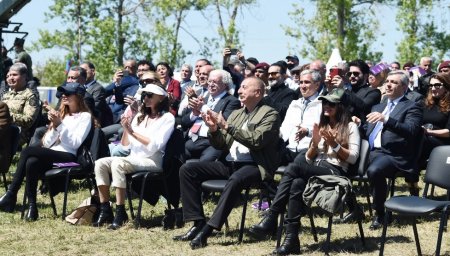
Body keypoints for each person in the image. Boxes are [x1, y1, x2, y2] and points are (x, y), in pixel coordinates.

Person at [250, 88, 361, 255]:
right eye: (325, 103)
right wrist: (315, 145)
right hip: (316, 169)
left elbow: (352, 158)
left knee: (293, 167)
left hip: (336, 173)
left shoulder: (350, 126)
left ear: (341, 107)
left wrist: (334, 144)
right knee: (296, 183)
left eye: (332, 103)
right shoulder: (322, 126)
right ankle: (291, 240)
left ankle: (272, 216)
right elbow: (309, 159)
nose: (327, 106)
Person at [173, 77, 281, 250]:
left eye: (245, 87)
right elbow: (222, 144)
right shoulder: (237, 113)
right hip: (231, 164)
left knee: (236, 179)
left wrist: (227, 127)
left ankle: (208, 230)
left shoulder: (270, 114)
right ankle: (198, 222)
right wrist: (214, 130)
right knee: (188, 168)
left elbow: (257, 141)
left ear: (258, 93)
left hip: (255, 166)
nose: (239, 90)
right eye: (241, 87)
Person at [0, 82, 92, 221]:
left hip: (69, 156)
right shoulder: (64, 115)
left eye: (68, 94)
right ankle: (32, 207)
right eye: (63, 94)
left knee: (27, 152)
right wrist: (54, 127)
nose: (64, 96)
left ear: (78, 97)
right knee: (32, 161)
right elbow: (47, 144)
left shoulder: (85, 117)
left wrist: (60, 125)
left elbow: (75, 143)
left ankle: (11, 194)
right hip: (53, 153)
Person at [92, 84, 174, 229]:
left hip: (153, 160)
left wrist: (132, 132)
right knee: (100, 163)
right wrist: (126, 128)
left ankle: (121, 211)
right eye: (144, 95)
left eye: (149, 95)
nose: (145, 98)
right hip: (133, 157)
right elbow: (125, 146)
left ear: (161, 98)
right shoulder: (140, 117)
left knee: (118, 163)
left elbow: (154, 146)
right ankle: (105, 209)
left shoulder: (167, 118)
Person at [364, 71, 423, 230]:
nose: (388, 84)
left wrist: (387, 119)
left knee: (375, 170)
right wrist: (357, 123)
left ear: (404, 87)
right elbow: (367, 129)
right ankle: (352, 208)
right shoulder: (378, 106)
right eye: (387, 81)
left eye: (394, 82)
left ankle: (380, 214)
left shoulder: (412, 106)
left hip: (394, 154)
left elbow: (411, 130)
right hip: (371, 152)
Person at [181, 69, 240, 161]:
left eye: (215, 82)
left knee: (201, 166)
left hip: (211, 143)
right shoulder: (203, 97)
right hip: (191, 140)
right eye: (209, 81)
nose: (210, 84)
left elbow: (222, 122)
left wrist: (202, 107)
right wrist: (194, 113)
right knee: (174, 158)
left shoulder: (232, 101)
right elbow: (183, 122)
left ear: (225, 85)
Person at [278, 69, 322, 165]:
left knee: (294, 171)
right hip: (290, 149)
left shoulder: (323, 104)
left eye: (306, 82)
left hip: (310, 151)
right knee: (267, 158)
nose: (302, 86)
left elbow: (324, 130)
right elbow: (285, 128)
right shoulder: (295, 103)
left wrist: (307, 131)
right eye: (301, 82)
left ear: (317, 85)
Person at [1, 63, 39, 145]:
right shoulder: (6, 95)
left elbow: (28, 120)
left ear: (25, 77)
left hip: (17, 132)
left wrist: (6, 116)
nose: (11, 78)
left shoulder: (30, 95)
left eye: (14, 75)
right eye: (9, 75)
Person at [419, 72, 450, 169]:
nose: (433, 88)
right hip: (423, 138)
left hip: (442, 143)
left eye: (437, 85)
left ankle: (412, 171)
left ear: (446, 86)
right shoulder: (423, 103)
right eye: (431, 85)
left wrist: (428, 132)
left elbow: (448, 132)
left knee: (419, 139)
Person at [80, 62, 113, 127]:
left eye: (84, 71)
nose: (82, 74)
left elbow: (94, 109)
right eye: (80, 72)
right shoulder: (80, 88)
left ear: (93, 71)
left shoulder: (98, 89)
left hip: (97, 126)